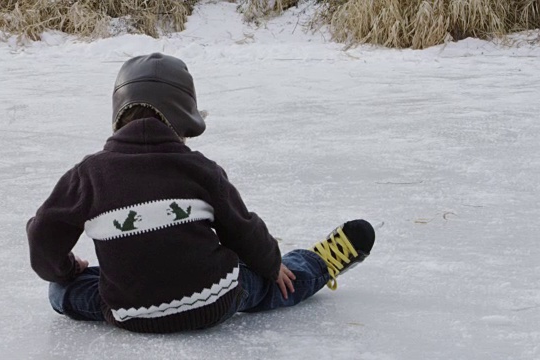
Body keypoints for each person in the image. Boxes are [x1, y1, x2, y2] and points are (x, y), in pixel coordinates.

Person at [26, 53, 376, 333]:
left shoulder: (87, 175)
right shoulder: (200, 168)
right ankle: (319, 263)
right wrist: (271, 264)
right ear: (184, 119)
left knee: (60, 291)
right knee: (270, 282)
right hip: (214, 299)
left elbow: (43, 239)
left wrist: (67, 269)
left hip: (130, 313)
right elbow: (244, 229)